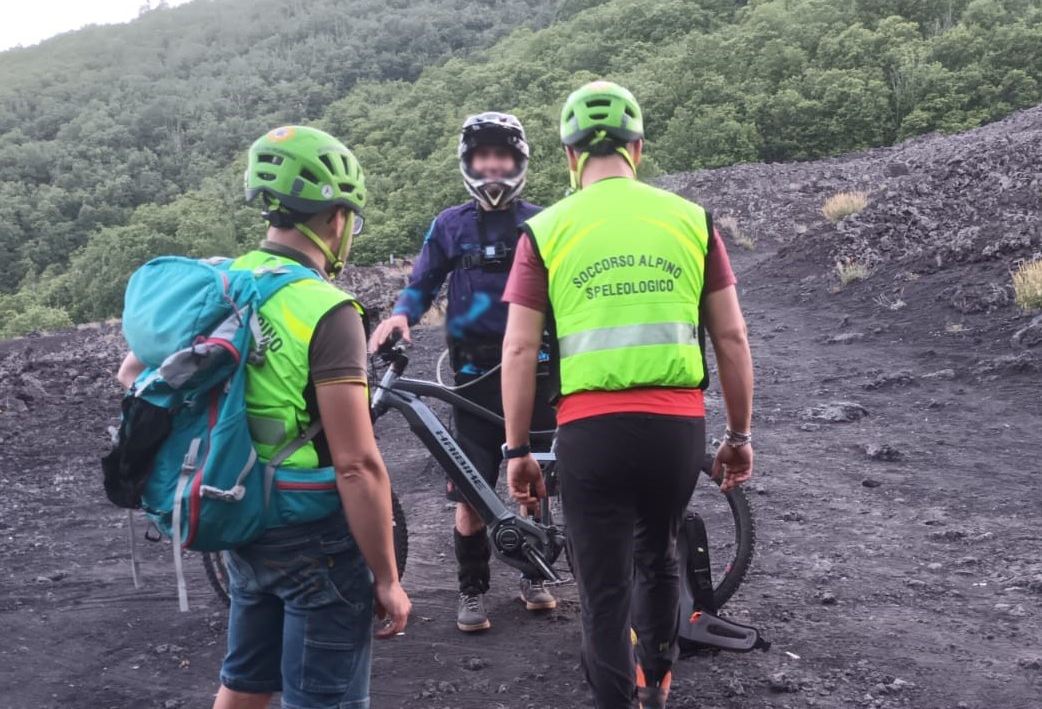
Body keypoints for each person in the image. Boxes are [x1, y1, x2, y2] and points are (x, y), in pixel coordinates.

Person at [118, 125, 411, 709]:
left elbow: (132, 374)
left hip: (239, 514)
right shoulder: (328, 310)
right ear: (333, 219)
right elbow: (357, 466)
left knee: (246, 685)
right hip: (315, 533)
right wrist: (387, 577)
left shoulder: (224, 282)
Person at [500, 82, 755, 709]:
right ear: (638, 150)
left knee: (603, 586)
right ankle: (659, 679)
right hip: (676, 427)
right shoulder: (692, 220)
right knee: (659, 553)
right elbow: (730, 335)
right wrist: (739, 436)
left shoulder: (545, 229)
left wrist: (516, 449)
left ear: (569, 157)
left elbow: (516, 350)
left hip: (591, 430)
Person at [368, 112, 558, 632]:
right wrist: (401, 315)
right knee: (471, 497)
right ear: (469, 163)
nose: (493, 166)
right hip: (471, 379)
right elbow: (421, 283)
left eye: (502, 156)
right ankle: (472, 591)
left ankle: (534, 577)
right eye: (483, 157)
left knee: (533, 487)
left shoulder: (544, 223)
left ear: (518, 162)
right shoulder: (450, 225)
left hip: (539, 374)